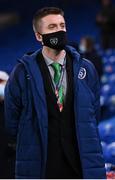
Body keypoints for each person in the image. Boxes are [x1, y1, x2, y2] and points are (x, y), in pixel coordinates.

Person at [4, 7, 106, 179]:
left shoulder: (86, 68)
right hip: (42, 165)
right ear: (38, 36)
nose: (59, 30)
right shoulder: (21, 73)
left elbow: (94, 114)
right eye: (52, 27)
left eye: (62, 25)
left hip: (81, 164)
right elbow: (12, 121)